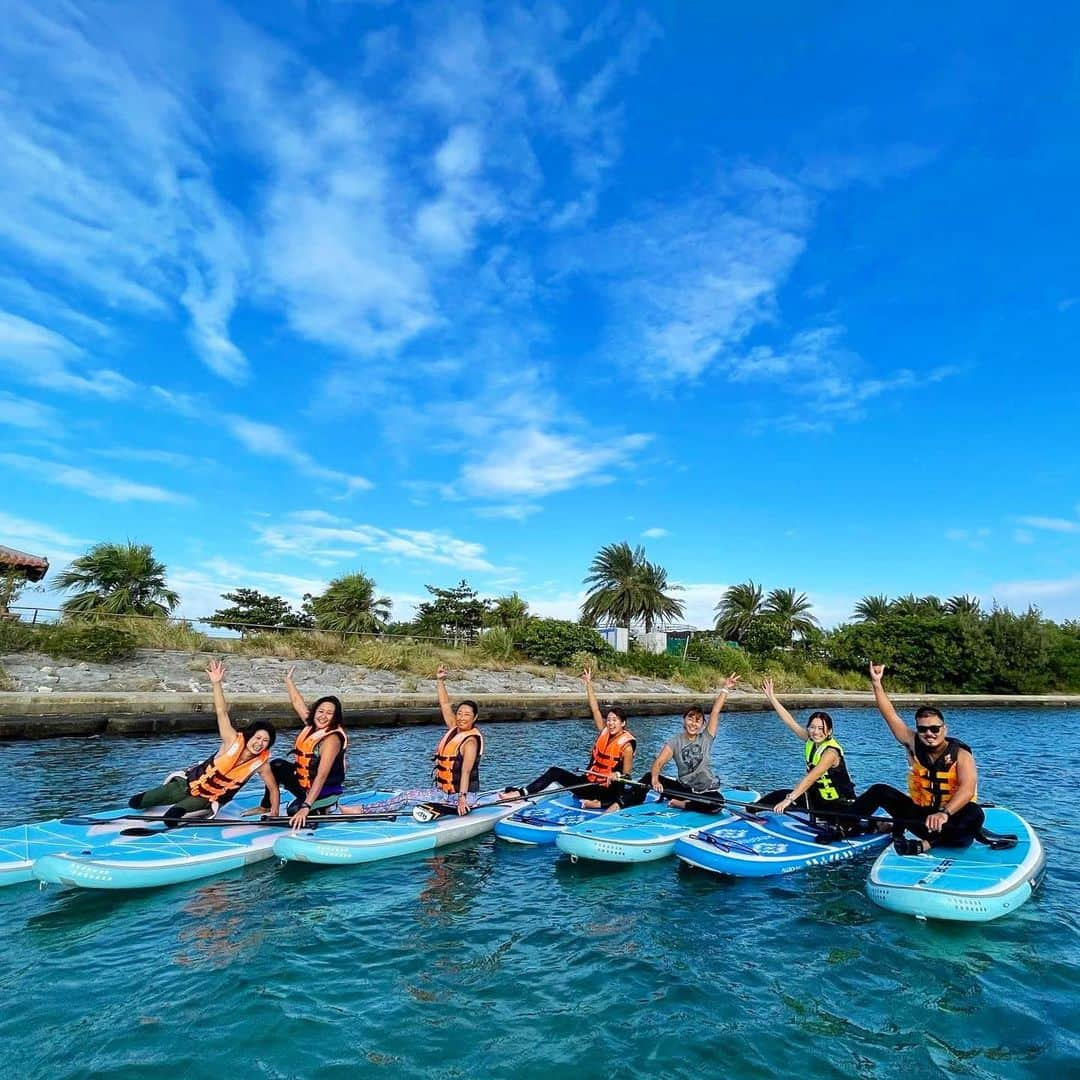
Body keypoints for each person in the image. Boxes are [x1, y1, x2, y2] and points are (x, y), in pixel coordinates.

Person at [848, 663, 985, 854]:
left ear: (944, 729)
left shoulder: (961, 755)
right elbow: (890, 716)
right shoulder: (913, 742)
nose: (929, 733)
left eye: (934, 729)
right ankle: (844, 825)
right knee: (880, 791)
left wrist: (944, 814)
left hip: (951, 822)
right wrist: (877, 683)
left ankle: (927, 844)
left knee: (975, 813)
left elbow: (967, 789)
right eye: (923, 729)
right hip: (921, 818)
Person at [128, 660, 280, 824]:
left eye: (265, 741)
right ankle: (167, 799)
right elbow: (221, 712)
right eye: (258, 738)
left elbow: (273, 789)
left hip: (208, 799)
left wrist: (275, 813)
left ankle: (190, 812)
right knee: (135, 802)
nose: (260, 743)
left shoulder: (261, 765)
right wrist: (216, 683)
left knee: (171, 817)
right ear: (250, 736)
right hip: (186, 785)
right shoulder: (231, 740)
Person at [340, 663, 484, 818]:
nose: (462, 717)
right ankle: (436, 807)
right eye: (460, 713)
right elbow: (444, 704)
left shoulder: (470, 742)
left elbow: (466, 772)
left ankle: (361, 811)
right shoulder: (453, 729)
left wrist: (462, 799)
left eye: (467, 715)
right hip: (443, 793)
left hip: (459, 797)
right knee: (409, 794)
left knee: (406, 796)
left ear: (474, 717)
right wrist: (440, 681)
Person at [499, 668, 636, 813]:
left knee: (619, 788)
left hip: (607, 789)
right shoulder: (604, 731)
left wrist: (616, 775)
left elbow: (627, 775)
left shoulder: (626, 746)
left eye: (615, 720)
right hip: (587, 785)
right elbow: (595, 709)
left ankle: (599, 803)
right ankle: (522, 794)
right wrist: (588, 683)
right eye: (608, 720)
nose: (610, 723)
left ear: (623, 723)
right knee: (554, 772)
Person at [251, 665, 348, 830]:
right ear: (315, 712)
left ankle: (322, 810)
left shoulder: (332, 739)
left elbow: (322, 776)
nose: (323, 716)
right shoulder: (312, 726)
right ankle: (266, 805)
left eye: (329, 713)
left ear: (335, 717)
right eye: (320, 711)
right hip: (305, 785)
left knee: (294, 810)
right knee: (277, 766)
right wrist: (287, 681)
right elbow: (297, 703)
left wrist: (305, 807)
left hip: (326, 790)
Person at [623, 675, 739, 812]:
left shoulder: (706, 738)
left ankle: (682, 804)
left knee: (717, 803)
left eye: (697, 720)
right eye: (690, 719)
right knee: (648, 777)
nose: (693, 724)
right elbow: (659, 762)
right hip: (683, 789)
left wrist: (725, 689)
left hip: (703, 790)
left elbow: (715, 712)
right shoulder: (675, 741)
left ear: (702, 724)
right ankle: (626, 804)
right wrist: (655, 779)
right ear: (684, 720)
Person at [756, 677, 860, 829]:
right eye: (812, 727)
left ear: (829, 731)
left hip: (840, 805)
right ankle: (749, 810)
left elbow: (811, 778)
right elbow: (790, 722)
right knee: (777, 795)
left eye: (820, 728)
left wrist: (789, 800)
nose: (815, 732)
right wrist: (772, 697)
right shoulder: (811, 740)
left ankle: (871, 826)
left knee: (787, 797)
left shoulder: (831, 753)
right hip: (819, 801)